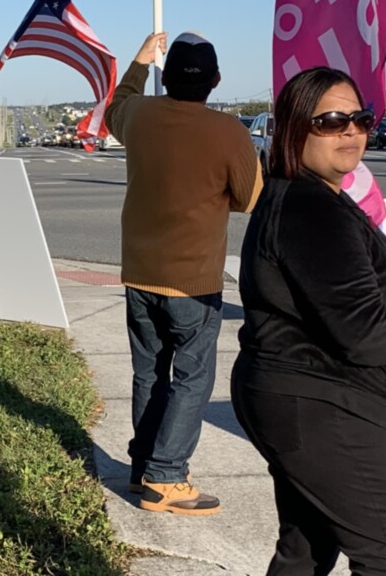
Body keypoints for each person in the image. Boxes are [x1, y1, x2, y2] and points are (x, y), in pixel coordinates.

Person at [230, 67, 386, 575]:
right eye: (331, 121)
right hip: (322, 405)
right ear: (295, 129)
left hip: (298, 397)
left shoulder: (315, 196)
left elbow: (347, 285)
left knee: (308, 546)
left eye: (360, 119)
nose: (352, 132)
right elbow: (363, 330)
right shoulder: (309, 207)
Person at [105, 31, 262, 515]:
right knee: (191, 377)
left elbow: (117, 105)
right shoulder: (229, 132)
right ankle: (167, 478)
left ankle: (143, 466)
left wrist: (137, 59)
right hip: (194, 281)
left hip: (139, 272)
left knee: (148, 372)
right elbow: (249, 198)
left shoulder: (140, 116)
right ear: (215, 81)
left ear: (164, 77)